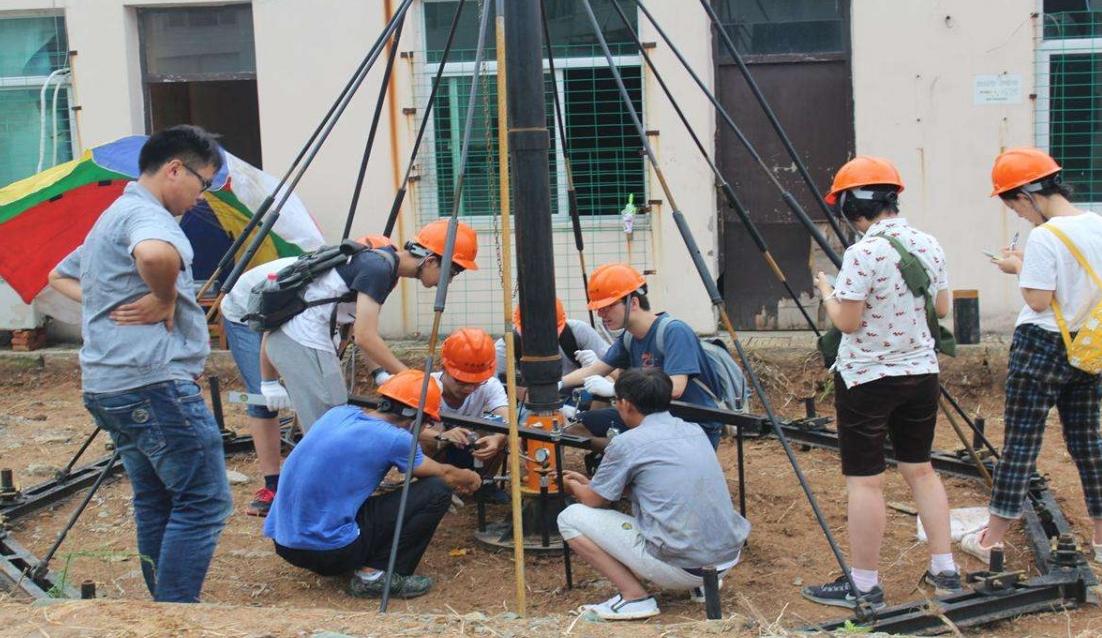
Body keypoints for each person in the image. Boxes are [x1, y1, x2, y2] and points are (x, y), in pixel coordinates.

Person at [46, 125, 233, 602]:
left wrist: (117, 298)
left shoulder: (112, 216)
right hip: (152, 384)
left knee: (156, 500)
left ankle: (162, 609)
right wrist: (163, 296)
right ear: (175, 169)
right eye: (203, 183)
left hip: (111, 384)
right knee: (204, 501)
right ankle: (176, 615)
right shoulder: (147, 217)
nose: (201, 196)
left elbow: (59, 275)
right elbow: (154, 255)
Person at [801, 156, 960, 609]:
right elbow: (943, 309)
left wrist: (828, 292)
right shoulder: (928, 244)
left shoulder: (862, 252)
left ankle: (865, 584)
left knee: (866, 482)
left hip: (868, 379)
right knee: (921, 469)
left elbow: (847, 323)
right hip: (921, 375)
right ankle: (945, 571)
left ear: (851, 206)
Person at [961, 149, 1102, 565]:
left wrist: (1015, 268)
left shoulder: (1045, 236)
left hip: (1041, 347)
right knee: (1089, 445)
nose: (1019, 216)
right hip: (1087, 347)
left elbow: (1039, 300)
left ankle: (992, 540)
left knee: (1021, 444)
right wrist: (1031, 263)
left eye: (1014, 205)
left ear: (1027, 195)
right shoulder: (1097, 224)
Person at [264, 370, 482, 599]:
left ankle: (356, 559)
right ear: (417, 420)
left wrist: (441, 437)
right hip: (330, 553)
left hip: (285, 543)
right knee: (436, 490)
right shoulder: (396, 440)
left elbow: (395, 431)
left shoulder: (339, 414)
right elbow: (445, 474)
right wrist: (471, 477)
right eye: (426, 422)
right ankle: (375, 576)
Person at [557, 367, 749, 620]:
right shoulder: (694, 430)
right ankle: (702, 587)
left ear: (625, 404)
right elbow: (659, 485)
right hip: (725, 559)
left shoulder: (627, 442)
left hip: (682, 567)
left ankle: (634, 597)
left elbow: (593, 500)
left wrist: (571, 485)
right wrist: (593, 484)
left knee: (570, 517)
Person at [265, 219, 479, 431]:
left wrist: (382, 373)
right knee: (324, 430)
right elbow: (365, 336)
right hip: (300, 340)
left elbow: (356, 328)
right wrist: (411, 378)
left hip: (313, 340)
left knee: (336, 413)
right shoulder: (378, 269)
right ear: (431, 260)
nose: (447, 283)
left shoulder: (384, 264)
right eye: (450, 274)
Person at [560, 263, 725, 451]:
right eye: (599, 309)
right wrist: (559, 383)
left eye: (608, 307)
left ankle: (637, 464)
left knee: (636, 449)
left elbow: (675, 389)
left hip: (692, 424)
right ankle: (620, 461)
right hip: (653, 419)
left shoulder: (674, 332)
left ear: (634, 303)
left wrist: (616, 389)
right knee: (584, 423)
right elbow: (596, 369)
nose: (600, 314)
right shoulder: (629, 337)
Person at [426, 328, 509, 477]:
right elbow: (406, 430)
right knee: (425, 438)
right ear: (444, 367)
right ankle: (436, 486)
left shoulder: (490, 385)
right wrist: (443, 436)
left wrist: (498, 439)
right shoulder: (426, 386)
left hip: (472, 449)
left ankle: (484, 483)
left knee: (501, 434)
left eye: (477, 382)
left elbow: (507, 421)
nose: (469, 388)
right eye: (461, 381)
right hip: (438, 456)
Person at [494, 297, 610, 388]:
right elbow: (494, 389)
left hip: (580, 395)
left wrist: (597, 366)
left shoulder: (578, 332)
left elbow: (614, 371)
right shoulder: (506, 348)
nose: (542, 342)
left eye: (549, 336)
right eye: (535, 337)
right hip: (530, 403)